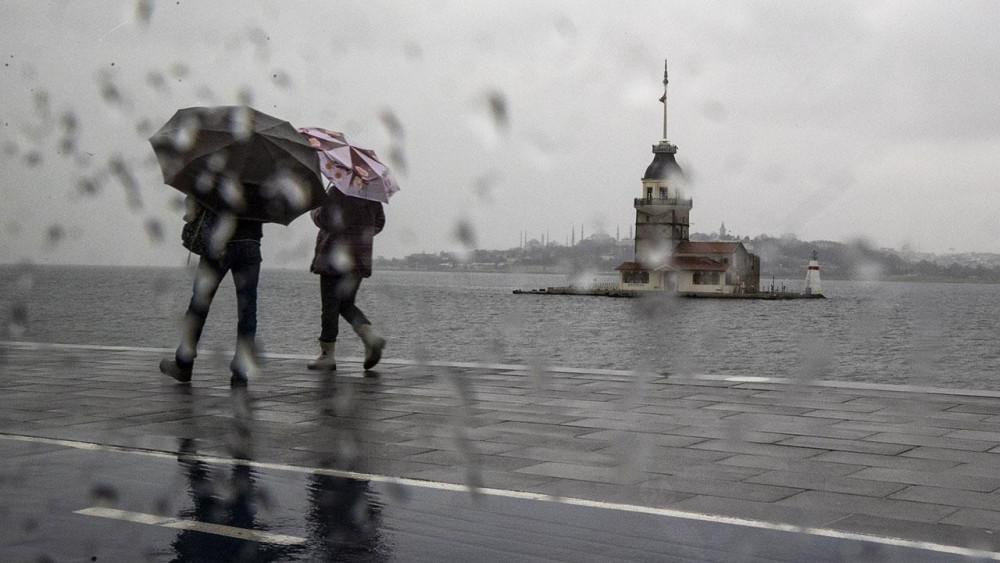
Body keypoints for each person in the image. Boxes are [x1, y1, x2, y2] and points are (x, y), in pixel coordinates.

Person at [160, 198, 263, 385]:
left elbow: (197, 199)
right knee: (248, 309)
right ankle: (240, 371)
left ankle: (184, 363)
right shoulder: (264, 173)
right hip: (250, 243)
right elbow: (268, 210)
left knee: (200, 304)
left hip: (219, 242)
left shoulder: (220, 169)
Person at [307, 187, 386, 372]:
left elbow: (325, 219)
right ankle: (370, 337)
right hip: (359, 259)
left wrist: (315, 210)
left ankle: (327, 355)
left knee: (330, 306)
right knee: (346, 304)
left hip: (334, 258)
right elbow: (379, 223)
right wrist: (359, 233)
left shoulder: (336, 191)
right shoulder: (371, 194)